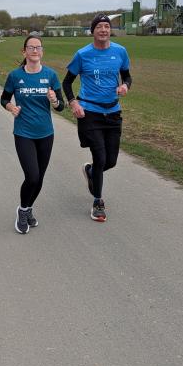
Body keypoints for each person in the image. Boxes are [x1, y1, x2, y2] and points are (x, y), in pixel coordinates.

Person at [62, 14, 132, 222]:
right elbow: (67, 82)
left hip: (113, 112)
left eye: (106, 26)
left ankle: (91, 171)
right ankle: (98, 202)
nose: (103, 30)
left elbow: (127, 75)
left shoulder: (120, 51)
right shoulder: (82, 54)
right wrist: (73, 103)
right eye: (99, 26)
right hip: (90, 112)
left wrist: (125, 86)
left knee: (110, 161)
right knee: (100, 157)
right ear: (92, 31)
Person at [1, 34, 65, 234]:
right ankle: (22, 210)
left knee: (40, 178)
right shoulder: (15, 76)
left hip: (46, 133)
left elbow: (61, 106)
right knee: (32, 176)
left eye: (38, 47)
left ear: (42, 51)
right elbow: (4, 99)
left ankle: (28, 208)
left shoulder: (51, 75)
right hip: (24, 133)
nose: (35, 50)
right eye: (31, 47)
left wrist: (54, 101)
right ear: (24, 52)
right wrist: (11, 107)